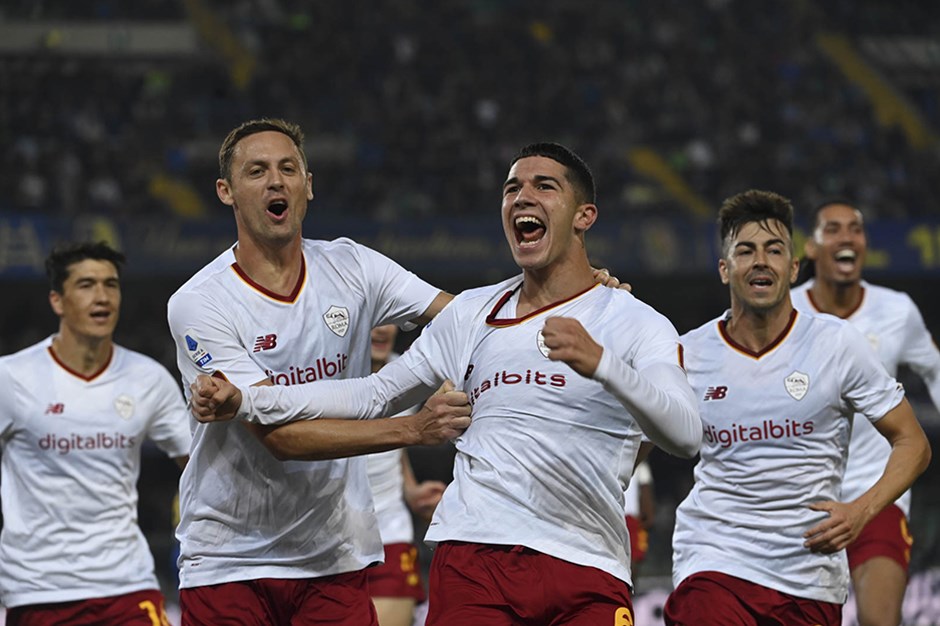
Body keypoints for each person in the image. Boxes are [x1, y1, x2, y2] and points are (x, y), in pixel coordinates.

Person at [190, 142, 703, 625]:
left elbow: (685, 436)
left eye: (544, 186)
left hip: (587, 561)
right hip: (475, 557)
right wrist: (247, 399)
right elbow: (373, 394)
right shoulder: (471, 313)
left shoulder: (635, 322)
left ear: (584, 216)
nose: (522, 197)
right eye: (512, 188)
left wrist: (605, 365)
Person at [165, 118, 472, 626]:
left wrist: (572, 294)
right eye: (256, 171)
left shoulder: (354, 268)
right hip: (229, 561)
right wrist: (413, 430)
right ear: (226, 191)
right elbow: (281, 437)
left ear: (308, 184)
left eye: (288, 169)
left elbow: (467, 317)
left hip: (333, 558)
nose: (276, 181)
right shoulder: (200, 303)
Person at [664, 190, 931, 626]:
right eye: (745, 251)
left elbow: (913, 443)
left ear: (792, 267)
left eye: (774, 250)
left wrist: (860, 511)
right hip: (714, 559)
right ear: (724, 268)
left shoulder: (836, 343)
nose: (761, 261)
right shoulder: (688, 352)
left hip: (808, 575)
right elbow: (633, 444)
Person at [0, 241, 191, 626]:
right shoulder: (11, 378)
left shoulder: (148, 378)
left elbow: (201, 464)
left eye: (111, 284)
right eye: (86, 285)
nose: (102, 297)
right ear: (57, 300)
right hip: (38, 590)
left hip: (128, 584)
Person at [791, 199, 940, 626]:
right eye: (833, 228)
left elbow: (935, 370)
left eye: (855, 229)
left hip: (877, 495)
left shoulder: (897, 311)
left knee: (880, 620)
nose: (847, 237)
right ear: (812, 248)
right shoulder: (785, 310)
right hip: (801, 501)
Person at [366, 324, 446, 626]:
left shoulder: (407, 372)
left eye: (389, 317)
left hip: (389, 533)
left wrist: (410, 490)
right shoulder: (318, 378)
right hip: (325, 541)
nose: (383, 329)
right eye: (373, 318)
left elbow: (394, 446)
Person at [623, 460, 655, 578]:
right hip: (621, 515)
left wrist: (648, 512)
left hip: (632, 518)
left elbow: (645, 487)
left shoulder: (639, 464)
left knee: (634, 558)